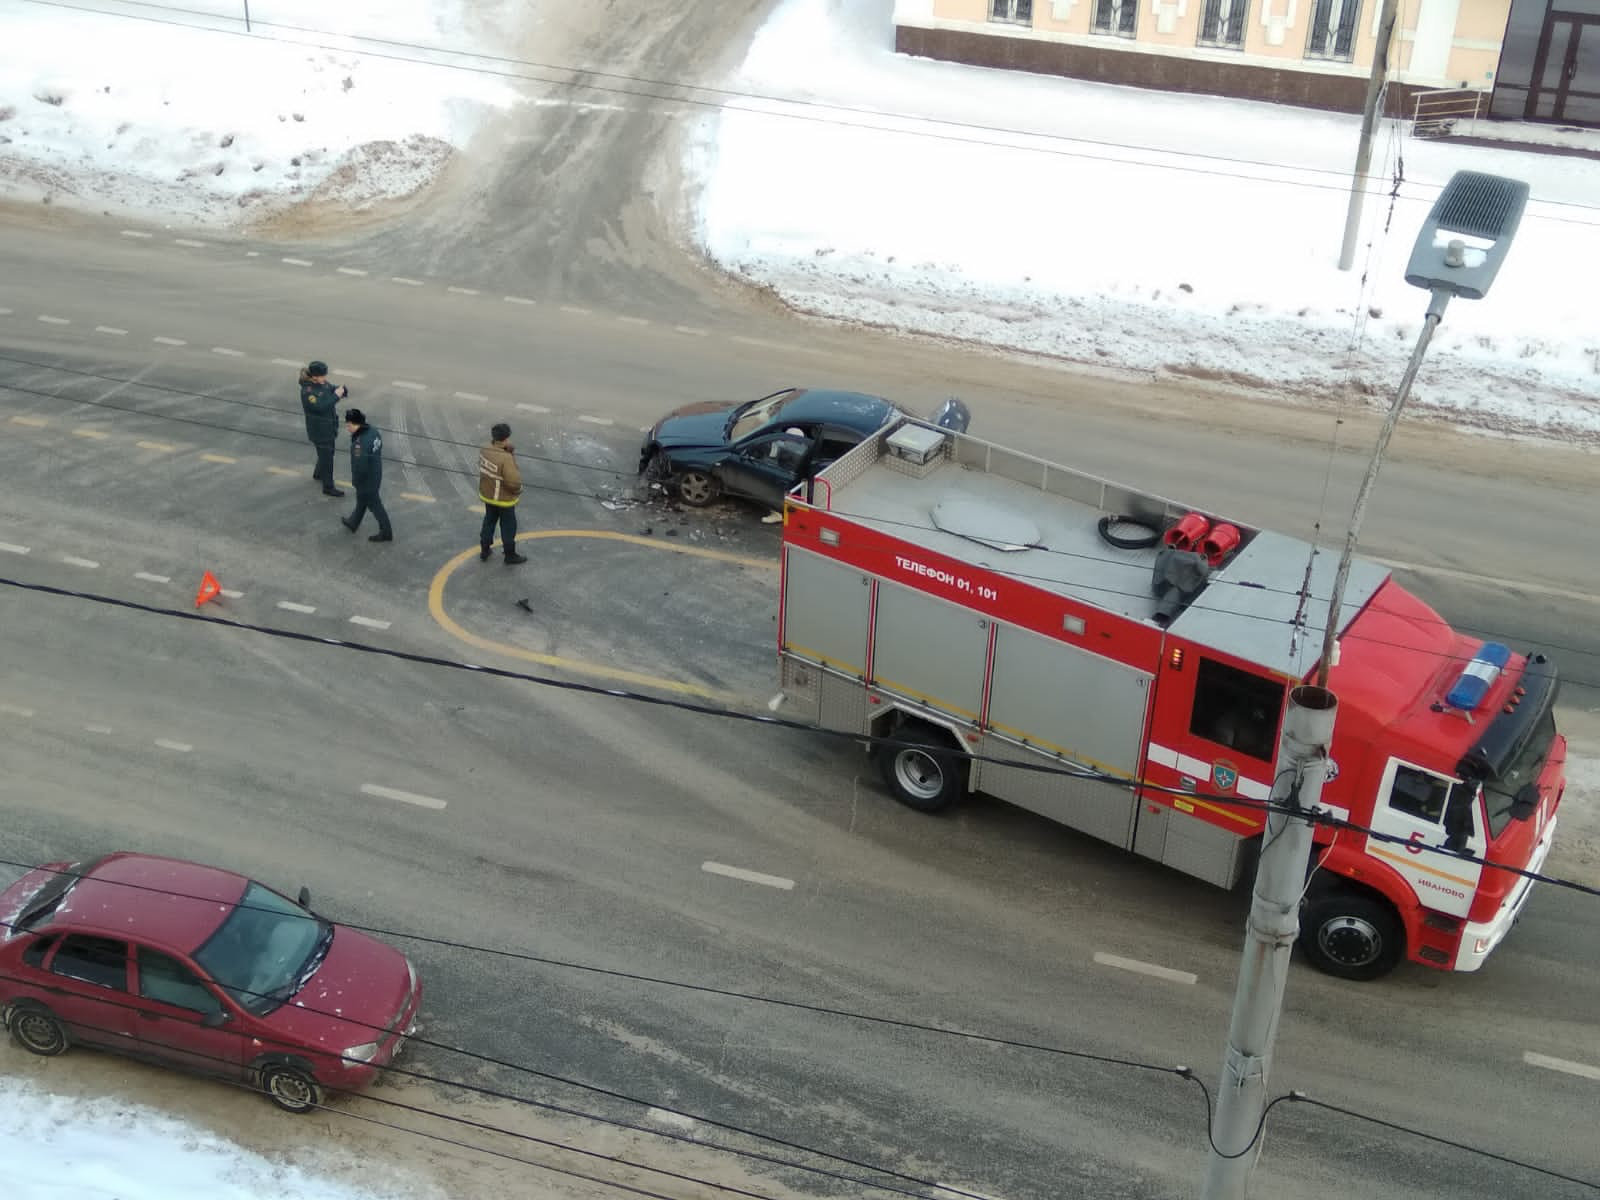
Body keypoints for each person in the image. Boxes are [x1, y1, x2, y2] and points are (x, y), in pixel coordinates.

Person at [477, 422, 527, 565]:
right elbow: (513, 482)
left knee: (489, 521)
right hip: (504, 499)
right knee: (508, 525)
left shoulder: (484, 449)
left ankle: (484, 550)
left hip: (487, 495)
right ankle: (510, 554)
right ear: (506, 438)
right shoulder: (506, 457)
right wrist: (518, 490)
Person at [339, 409, 392, 542]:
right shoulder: (373, 431)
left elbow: (359, 468)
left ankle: (386, 532)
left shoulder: (359, 445)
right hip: (375, 472)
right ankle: (353, 522)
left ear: (355, 424)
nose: (347, 427)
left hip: (366, 480)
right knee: (362, 500)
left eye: (349, 424)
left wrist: (356, 481)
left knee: (375, 506)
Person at [298, 360, 346, 498]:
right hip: (319, 430)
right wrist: (336, 396)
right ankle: (328, 487)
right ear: (314, 376)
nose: (325, 378)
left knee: (327, 454)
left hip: (329, 427)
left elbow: (330, 389)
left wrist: (342, 390)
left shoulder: (322, 383)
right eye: (322, 376)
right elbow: (321, 407)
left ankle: (318, 474)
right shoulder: (308, 392)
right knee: (327, 458)